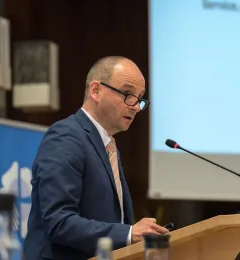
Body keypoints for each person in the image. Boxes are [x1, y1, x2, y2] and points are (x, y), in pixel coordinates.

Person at [23, 56, 169, 260]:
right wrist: (128, 233)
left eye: (140, 98)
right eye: (128, 94)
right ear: (96, 91)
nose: (136, 106)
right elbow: (59, 221)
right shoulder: (66, 137)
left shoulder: (108, 146)